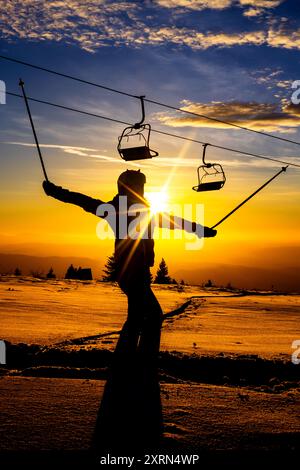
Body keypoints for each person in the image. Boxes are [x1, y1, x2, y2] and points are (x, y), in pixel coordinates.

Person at [43, 170, 217, 452]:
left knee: (137, 317)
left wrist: (201, 230)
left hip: (136, 272)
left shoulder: (136, 210)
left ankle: (129, 364)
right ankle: (142, 365)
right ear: (131, 187)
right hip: (131, 273)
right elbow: (80, 200)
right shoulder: (120, 208)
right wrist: (56, 191)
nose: (142, 190)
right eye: (139, 186)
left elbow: (175, 221)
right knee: (151, 316)